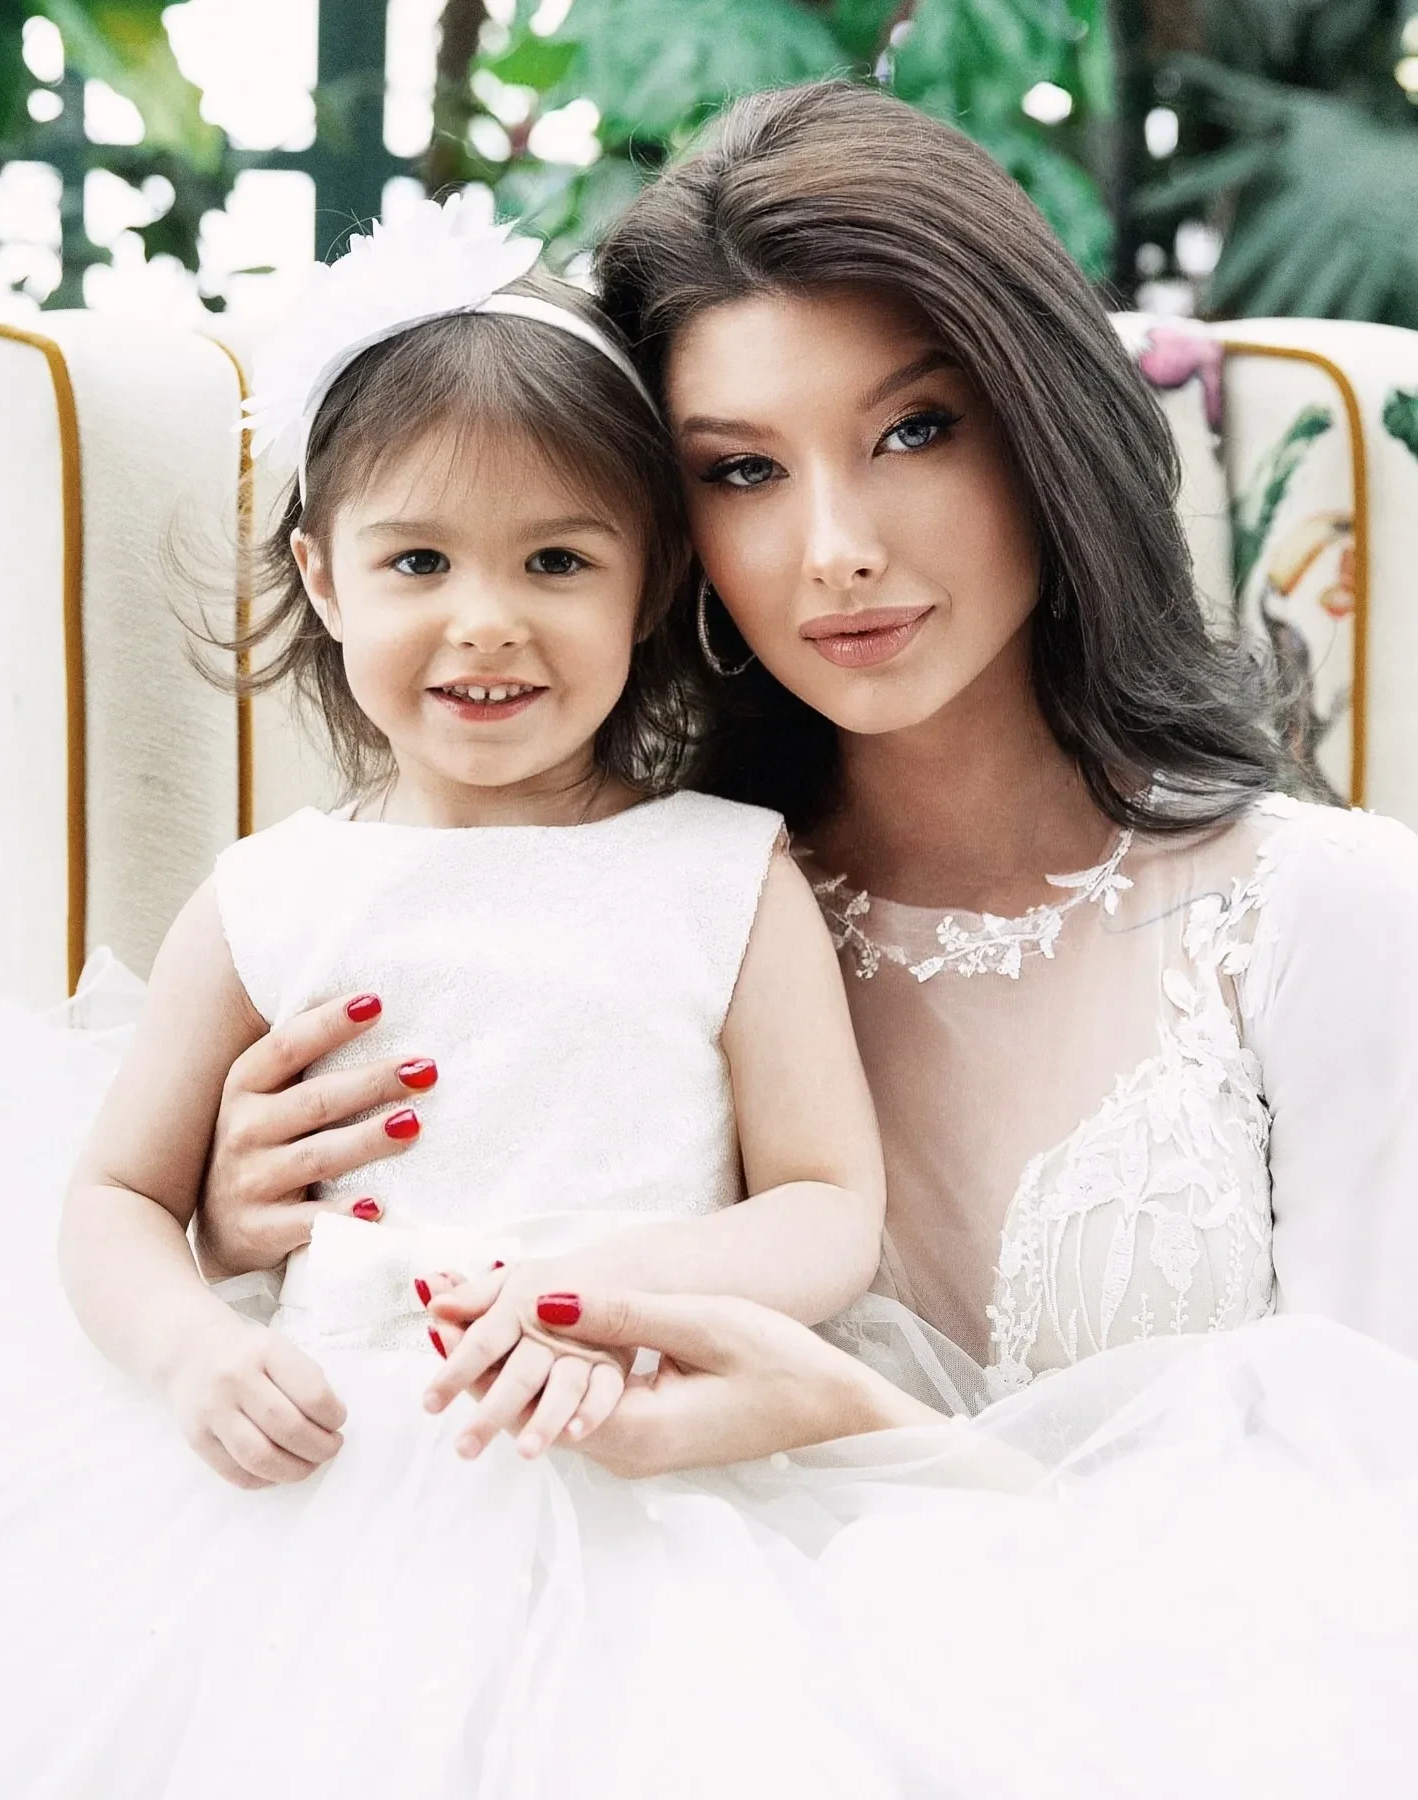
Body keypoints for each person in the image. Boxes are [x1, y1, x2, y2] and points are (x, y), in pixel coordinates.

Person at [200, 82, 1418, 1396]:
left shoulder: (1322, 914)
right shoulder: (650, 906)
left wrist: (847, 1425)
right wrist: (247, 1227)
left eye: (915, 431)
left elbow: (1367, 1483)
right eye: (743, 470)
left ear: (1047, 426)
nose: (839, 550)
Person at [0, 190, 959, 1800]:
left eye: (556, 559)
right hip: (320, 1485)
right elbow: (115, 1197)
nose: (485, 620)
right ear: (325, 575)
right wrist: (188, 1354)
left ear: (649, 581)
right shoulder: (273, 896)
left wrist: (609, 1288)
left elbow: (827, 1202)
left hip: (650, 1466)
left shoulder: (723, 875)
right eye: (418, 559)